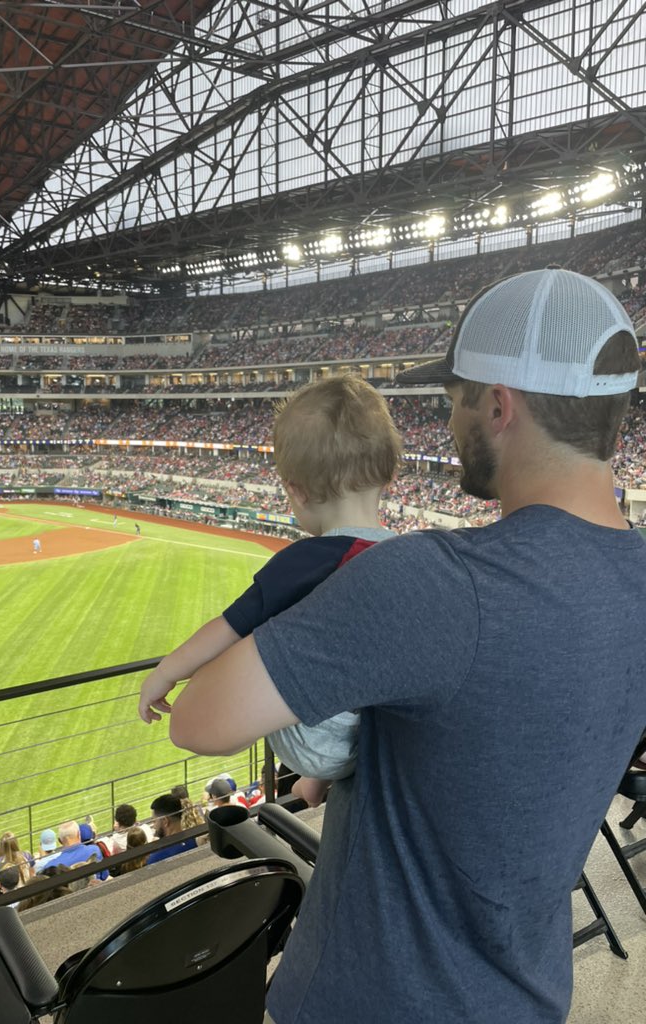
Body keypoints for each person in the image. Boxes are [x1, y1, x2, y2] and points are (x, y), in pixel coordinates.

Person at [168, 269, 646, 1024]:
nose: (449, 420)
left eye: (453, 398)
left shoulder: (434, 582)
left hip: (366, 999)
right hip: (526, 995)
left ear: (498, 404)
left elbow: (197, 720)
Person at [139, 375, 402, 805]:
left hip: (320, 747)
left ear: (294, 493)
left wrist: (165, 672)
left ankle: (316, 776)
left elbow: (227, 628)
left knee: (265, 655)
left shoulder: (305, 560)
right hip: (376, 734)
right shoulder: (407, 553)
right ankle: (316, 784)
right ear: (391, 473)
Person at [146, 794, 198, 865]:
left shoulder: (156, 858)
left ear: (165, 821)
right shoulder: (195, 841)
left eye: (154, 821)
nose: (154, 826)